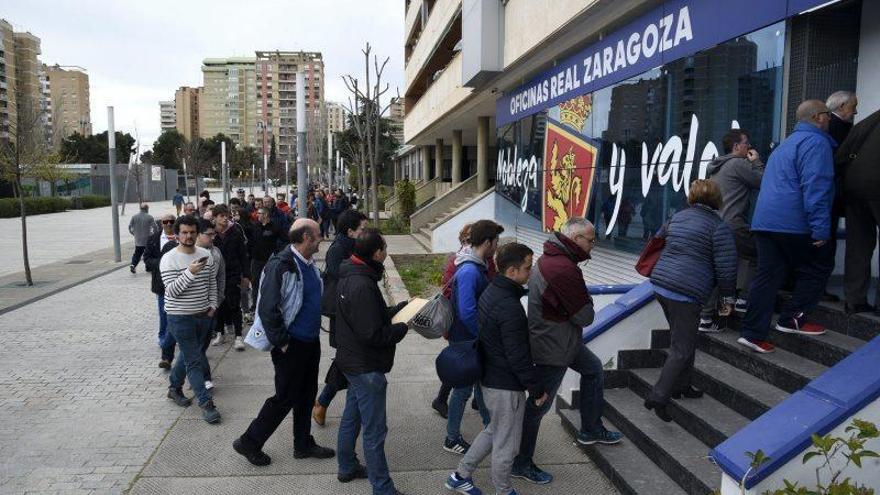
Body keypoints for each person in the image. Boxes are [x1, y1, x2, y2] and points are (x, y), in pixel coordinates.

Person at [512, 218, 622, 485]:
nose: (593, 245)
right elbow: (585, 316)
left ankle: (591, 429)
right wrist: (586, 301)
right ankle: (521, 462)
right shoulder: (563, 268)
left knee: (593, 368)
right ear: (576, 239)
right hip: (554, 346)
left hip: (561, 340)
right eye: (591, 240)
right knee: (539, 405)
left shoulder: (552, 257)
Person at [445, 243, 547, 495]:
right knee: (507, 444)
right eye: (527, 267)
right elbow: (518, 356)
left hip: (491, 378)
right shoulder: (509, 307)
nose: (531, 272)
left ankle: (460, 475)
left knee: (493, 431)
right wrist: (536, 388)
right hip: (505, 385)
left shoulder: (493, 291)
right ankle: (503, 490)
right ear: (512, 271)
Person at [233, 219, 334, 466]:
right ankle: (249, 441)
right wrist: (282, 342)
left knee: (306, 394)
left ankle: (303, 444)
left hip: (310, 342)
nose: (322, 238)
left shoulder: (308, 264)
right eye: (318, 235)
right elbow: (267, 309)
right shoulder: (281, 265)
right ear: (306, 238)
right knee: (285, 397)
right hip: (291, 344)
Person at [739, 100, 836, 354]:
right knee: (818, 267)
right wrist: (820, 229)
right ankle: (793, 319)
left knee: (768, 275)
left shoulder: (786, 144)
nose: (830, 119)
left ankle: (751, 333)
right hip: (792, 223)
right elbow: (816, 187)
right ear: (818, 117)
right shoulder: (817, 143)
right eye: (828, 114)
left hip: (765, 222)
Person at [646, 180, 737, 421]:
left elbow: (658, 240)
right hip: (686, 293)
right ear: (717, 199)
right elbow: (726, 268)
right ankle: (659, 395)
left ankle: (682, 386)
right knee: (681, 347)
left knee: (684, 338)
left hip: (662, 286)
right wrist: (727, 299)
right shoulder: (719, 227)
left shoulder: (677, 218)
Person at [334, 228, 410, 495]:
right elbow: (373, 333)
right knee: (375, 431)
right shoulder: (362, 284)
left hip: (352, 362)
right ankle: (383, 488)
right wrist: (402, 327)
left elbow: (368, 317)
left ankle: (346, 466)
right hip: (365, 367)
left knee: (351, 417)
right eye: (385, 248)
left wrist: (398, 310)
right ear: (376, 253)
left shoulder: (350, 273)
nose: (386, 252)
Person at [444, 220, 503, 455]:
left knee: (479, 386)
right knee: (462, 390)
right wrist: (484, 336)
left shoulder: (477, 264)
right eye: (496, 241)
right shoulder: (469, 270)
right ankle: (451, 438)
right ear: (487, 242)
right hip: (466, 340)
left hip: (470, 339)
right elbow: (467, 311)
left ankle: (491, 429)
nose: (498, 246)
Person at [699, 129, 764, 331]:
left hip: (716, 224)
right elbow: (764, 181)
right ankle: (744, 300)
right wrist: (757, 162)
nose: (750, 148)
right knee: (762, 254)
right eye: (747, 144)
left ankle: (706, 318)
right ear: (736, 147)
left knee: (718, 270)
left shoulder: (717, 166)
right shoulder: (738, 163)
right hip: (733, 225)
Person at [160, 215, 221, 423]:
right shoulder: (168, 258)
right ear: (177, 234)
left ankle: (174, 388)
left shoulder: (206, 254)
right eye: (184, 232)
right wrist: (190, 272)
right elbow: (172, 292)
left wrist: (213, 305)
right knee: (194, 360)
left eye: (192, 232)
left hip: (204, 316)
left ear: (197, 233)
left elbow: (211, 282)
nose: (188, 236)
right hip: (180, 317)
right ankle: (206, 404)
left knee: (189, 356)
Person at [432, 223, 497, 419]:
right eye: (466, 240)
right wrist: (482, 334)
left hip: (470, 329)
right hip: (465, 331)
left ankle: (484, 422)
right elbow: (464, 307)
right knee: (462, 381)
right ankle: (451, 433)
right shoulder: (465, 266)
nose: (468, 243)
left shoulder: (483, 262)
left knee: (469, 378)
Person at [313, 209, 368, 426]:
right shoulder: (338, 250)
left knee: (349, 361)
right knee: (347, 361)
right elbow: (345, 279)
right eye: (362, 229)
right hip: (343, 314)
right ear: (350, 231)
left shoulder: (354, 246)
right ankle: (324, 402)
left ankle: (326, 402)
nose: (365, 233)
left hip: (354, 312)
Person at [841, 109, 880, 314]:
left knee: (858, 245)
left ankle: (854, 300)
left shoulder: (866, 122)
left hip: (854, 189)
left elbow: (842, 156)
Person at [823, 91, 860, 301]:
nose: (855, 110)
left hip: (831, 195)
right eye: (852, 106)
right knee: (825, 241)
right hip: (834, 194)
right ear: (842, 106)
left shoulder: (832, 128)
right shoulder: (839, 129)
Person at [210, 205, 251, 351]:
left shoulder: (235, 232)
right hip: (215, 275)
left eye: (227, 215)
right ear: (214, 218)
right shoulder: (211, 234)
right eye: (221, 216)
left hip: (233, 274)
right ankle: (220, 333)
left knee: (234, 304)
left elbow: (243, 255)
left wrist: (246, 275)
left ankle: (238, 337)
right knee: (219, 306)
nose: (225, 218)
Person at [144, 213, 178, 368]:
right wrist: (162, 262)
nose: (169, 224)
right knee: (164, 312)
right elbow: (146, 260)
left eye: (172, 221)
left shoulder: (181, 236)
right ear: (161, 223)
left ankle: (172, 340)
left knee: (178, 313)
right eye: (166, 221)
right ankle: (164, 339)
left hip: (180, 283)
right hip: (161, 284)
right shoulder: (153, 239)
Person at [194, 219, 225, 390]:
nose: (213, 237)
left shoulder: (216, 252)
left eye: (214, 234)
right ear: (198, 234)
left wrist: (216, 303)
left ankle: (184, 376)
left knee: (200, 347)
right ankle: (203, 378)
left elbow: (221, 278)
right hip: (188, 310)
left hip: (210, 308)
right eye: (209, 234)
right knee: (195, 347)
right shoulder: (187, 253)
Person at [249, 207, 285, 313]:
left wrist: (278, 253)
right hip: (256, 260)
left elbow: (285, 240)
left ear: (265, 215)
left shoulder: (275, 227)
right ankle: (255, 305)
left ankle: (271, 304)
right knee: (255, 283)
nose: (257, 215)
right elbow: (251, 241)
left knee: (270, 283)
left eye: (259, 213)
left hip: (269, 261)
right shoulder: (255, 226)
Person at [128, 204, 157, 274]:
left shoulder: (134, 217)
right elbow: (155, 227)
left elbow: (130, 227)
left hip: (138, 240)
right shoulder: (149, 217)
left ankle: (133, 264)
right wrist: (153, 235)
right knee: (148, 254)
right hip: (148, 239)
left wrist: (134, 234)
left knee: (137, 254)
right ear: (147, 209)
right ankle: (148, 267)